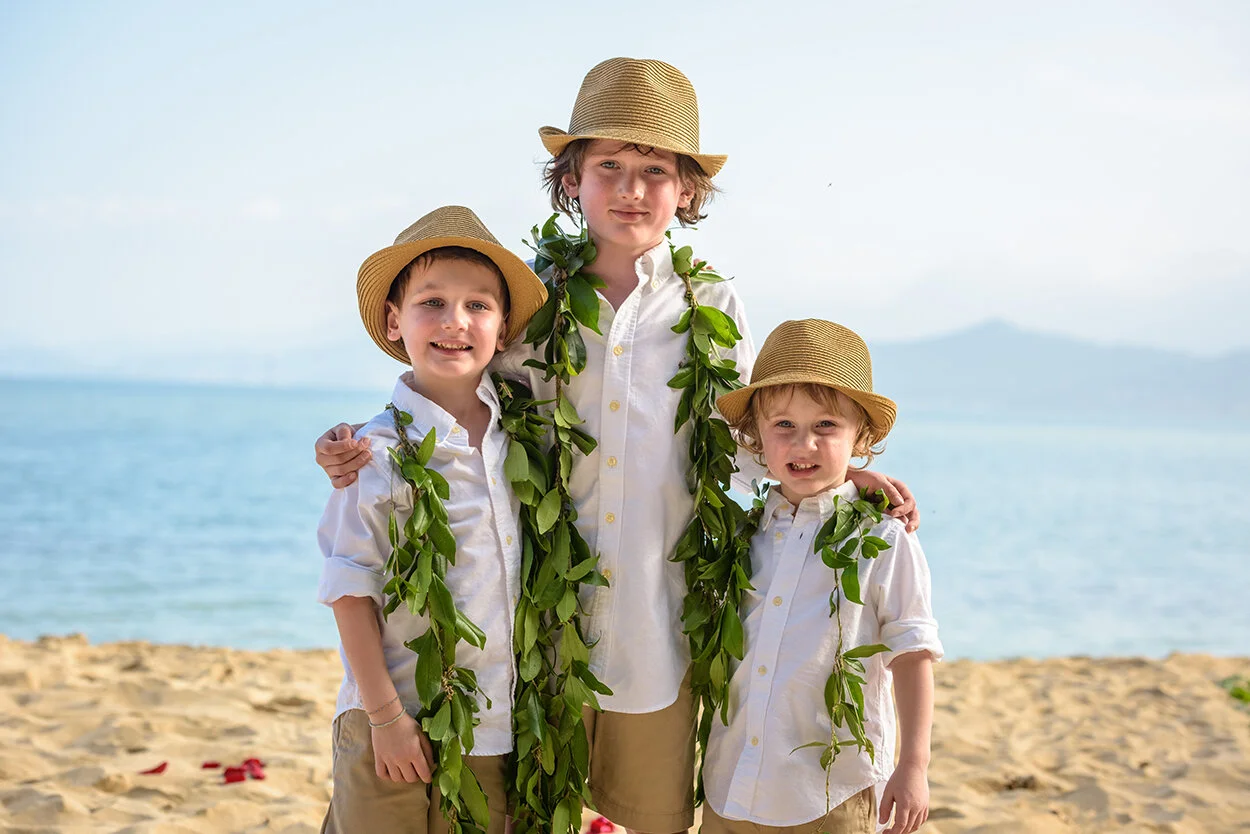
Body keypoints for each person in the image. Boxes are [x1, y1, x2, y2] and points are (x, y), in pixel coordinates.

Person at [315, 59, 918, 834]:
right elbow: (465, 402)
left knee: (656, 814)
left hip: (656, 619)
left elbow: (739, 441)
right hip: (538, 624)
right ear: (571, 181)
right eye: (609, 168)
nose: (631, 189)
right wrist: (355, 444)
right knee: (536, 808)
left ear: (687, 190)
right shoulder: (531, 298)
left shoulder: (711, 304)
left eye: (654, 171)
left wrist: (843, 483)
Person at [317, 205, 546, 834]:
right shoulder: (374, 455)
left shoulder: (523, 441)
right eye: (432, 303)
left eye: (478, 306)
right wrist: (388, 721)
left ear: (503, 330)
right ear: (395, 320)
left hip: (493, 720)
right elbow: (349, 591)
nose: (455, 322)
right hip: (391, 719)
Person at [705, 319, 942, 834]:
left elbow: (912, 650)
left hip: (831, 790)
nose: (803, 444)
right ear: (755, 437)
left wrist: (914, 766)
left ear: (862, 438)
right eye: (783, 426)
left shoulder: (883, 537)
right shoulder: (743, 535)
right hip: (732, 783)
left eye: (827, 427)